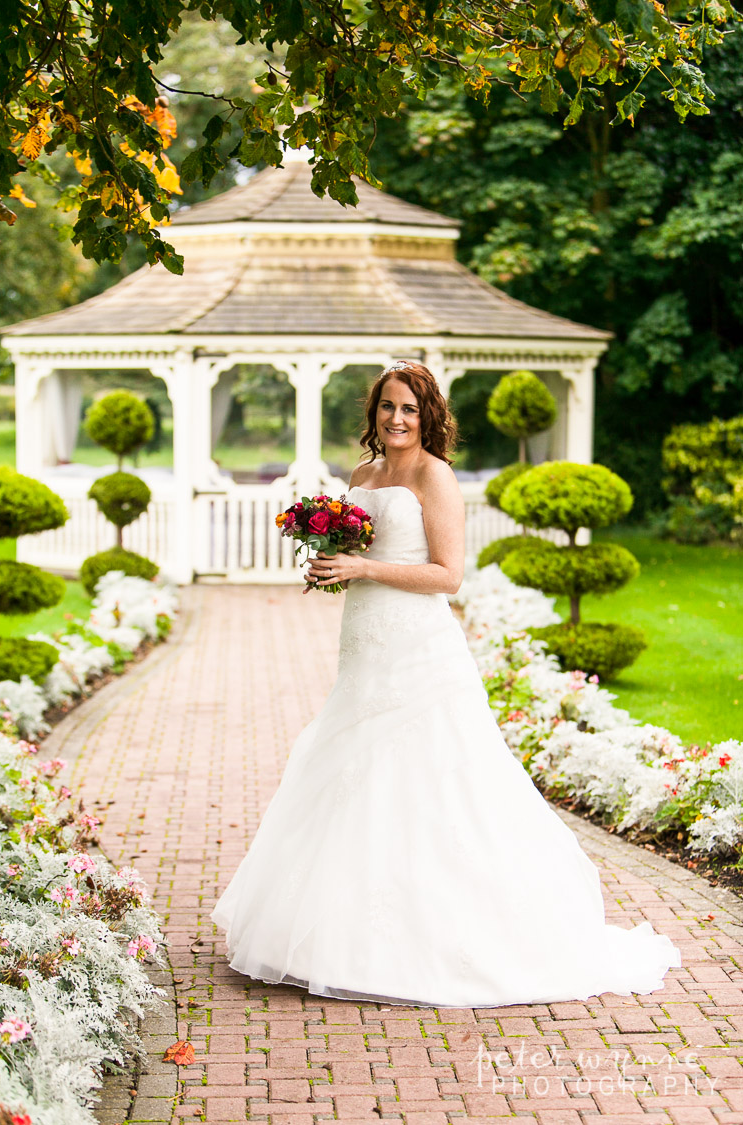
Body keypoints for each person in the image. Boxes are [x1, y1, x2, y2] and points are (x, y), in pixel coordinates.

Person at [210, 360, 682, 1007]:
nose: (397, 419)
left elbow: (447, 573)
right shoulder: (363, 476)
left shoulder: (436, 475)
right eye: (387, 408)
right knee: (354, 765)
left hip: (419, 643)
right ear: (374, 414)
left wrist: (365, 567)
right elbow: (366, 556)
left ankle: (451, 934)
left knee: (438, 773)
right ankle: (340, 933)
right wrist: (337, 568)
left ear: (426, 415)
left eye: (408, 408)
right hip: (365, 637)